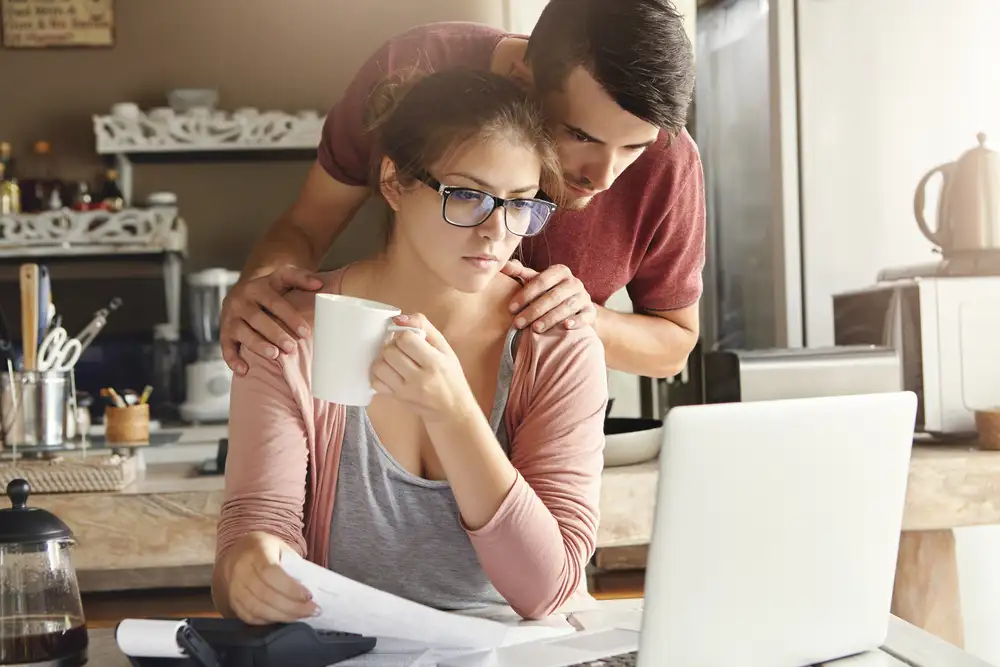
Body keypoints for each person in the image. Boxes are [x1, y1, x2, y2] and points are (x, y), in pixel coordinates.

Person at [212, 69, 608, 624]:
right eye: (467, 196)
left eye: (521, 202)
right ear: (394, 183)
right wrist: (248, 572)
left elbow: (549, 591)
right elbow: (255, 528)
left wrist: (453, 415)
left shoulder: (556, 341)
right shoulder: (288, 331)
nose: (497, 232)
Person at [220, 0, 704, 381]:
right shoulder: (411, 68)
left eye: (634, 148)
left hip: (547, 415)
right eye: (580, 136)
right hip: (387, 388)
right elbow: (308, 224)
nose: (604, 177)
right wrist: (260, 291)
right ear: (522, 82)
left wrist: (586, 320)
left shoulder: (670, 155)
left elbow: (674, 347)